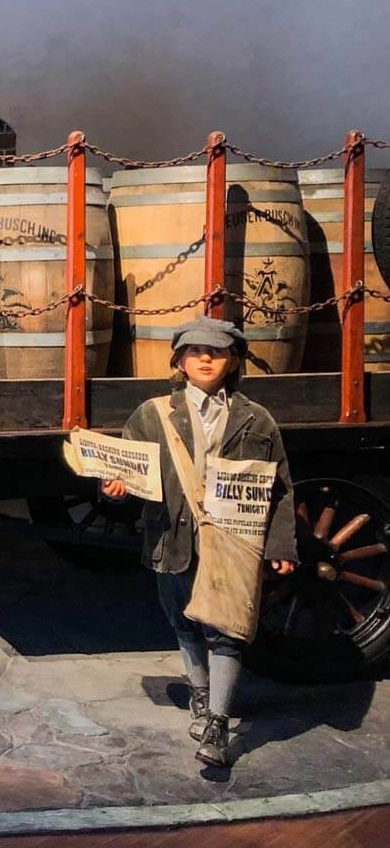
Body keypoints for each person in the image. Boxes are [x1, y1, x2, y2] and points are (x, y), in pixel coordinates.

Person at [101, 316, 297, 768]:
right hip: (172, 539)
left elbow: (281, 488)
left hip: (232, 544)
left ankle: (218, 722)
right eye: (195, 352)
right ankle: (201, 692)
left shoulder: (257, 419)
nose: (205, 359)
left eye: (217, 352)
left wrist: (282, 546)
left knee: (227, 631)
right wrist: (113, 489)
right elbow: (131, 476)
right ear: (180, 362)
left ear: (233, 362)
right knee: (185, 622)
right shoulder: (152, 415)